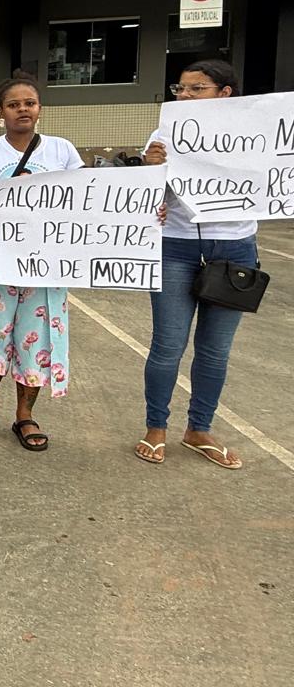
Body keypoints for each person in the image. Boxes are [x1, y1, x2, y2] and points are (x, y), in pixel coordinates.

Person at [136, 60, 256, 469]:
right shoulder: (164, 135)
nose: (184, 95)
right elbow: (143, 198)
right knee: (167, 346)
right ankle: (156, 427)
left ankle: (199, 429)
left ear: (225, 93)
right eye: (180, 88)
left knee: (215, 351)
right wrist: (150, 171)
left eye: (196, 88)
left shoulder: (255, 133)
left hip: (236, 249)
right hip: (176, 247)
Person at [0, 74, 82, 450]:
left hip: (46, 266)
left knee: (36, 338)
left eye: (29, 102)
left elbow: (87, 200)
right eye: (13, 105)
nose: (22, 109)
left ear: (40, 108)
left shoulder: (62, 151)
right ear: (1, 112)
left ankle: (25, 415)